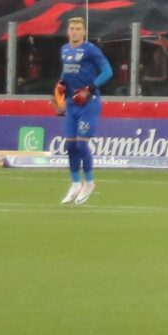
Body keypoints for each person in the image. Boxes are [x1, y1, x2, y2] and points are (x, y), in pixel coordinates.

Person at [54, 15, 114, 206]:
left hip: (89, 103)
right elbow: (65, 75)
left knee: (81, 145)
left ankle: (89, 182)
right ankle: (75, 183)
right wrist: (59, 92)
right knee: (70, 146)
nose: (75, 31)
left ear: (84, 32)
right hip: (72, 105)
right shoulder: (64, 50)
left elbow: (108, 72)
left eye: (79, 28)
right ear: (67, 31)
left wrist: (90, 89)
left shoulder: (91, 50)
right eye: (72, 28)